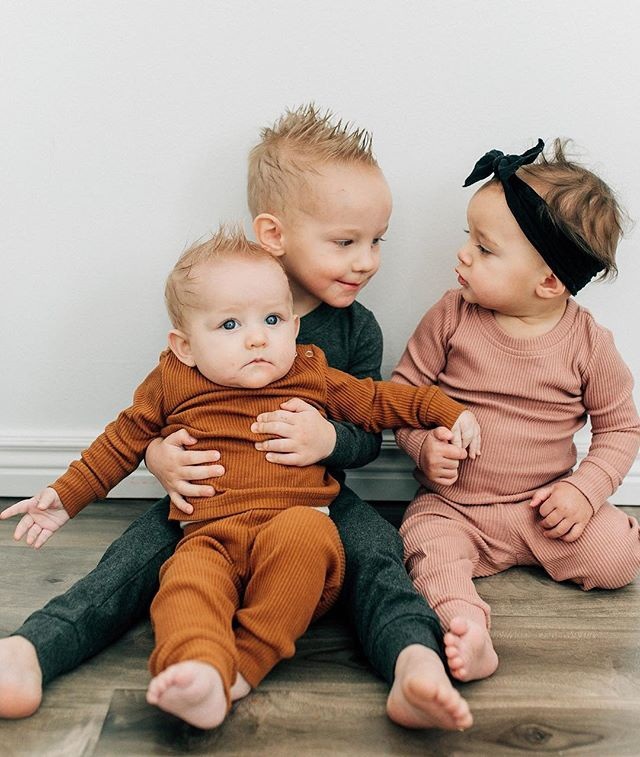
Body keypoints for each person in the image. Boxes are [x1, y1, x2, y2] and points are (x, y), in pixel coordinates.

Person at [0, 104, 473, 730]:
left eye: (376, 241)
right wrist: (159, 458)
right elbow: (146, 421)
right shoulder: (213, 301)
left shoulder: (354, 331)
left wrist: (328, 439)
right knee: (131, 561)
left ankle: (414, 662)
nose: (366, 261)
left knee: (377, 553)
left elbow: (369, 429)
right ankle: (33, 649)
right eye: (345, 242)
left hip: (313, 498)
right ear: (275, 234)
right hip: (209, 499)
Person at [393, 138, 640, 684]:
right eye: (469, 238)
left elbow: (621, 427)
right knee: (424, 545)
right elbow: (403, 392)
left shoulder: (588, 344)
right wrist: (422, 446)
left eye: (484, 249)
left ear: (548, 282)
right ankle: (466, 626)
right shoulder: (451, 316)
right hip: (455, 508)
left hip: (541, 508)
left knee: (618, 554)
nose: (464, 255)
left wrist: (584, 491)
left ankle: (556, 546)